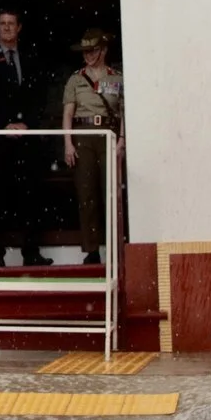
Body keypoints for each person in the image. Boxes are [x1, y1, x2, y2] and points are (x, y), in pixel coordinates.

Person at [0, 8, 48, 267]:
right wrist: (5, 124)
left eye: (10, 23)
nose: (6, 28)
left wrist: (27, 123)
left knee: (32, 195)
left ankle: (31, 252)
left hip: (27, 139)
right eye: (2, 23)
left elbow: (40, 96)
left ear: (19, 28)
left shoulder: (31, 57)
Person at [60, 30, 122, 265]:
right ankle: (92, 249)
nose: (88, 55)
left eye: (93, 50)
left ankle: (115, 246)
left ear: (104, 50)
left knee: (111, 193)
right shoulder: (75, 79)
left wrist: (122, 141)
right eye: (85, 51)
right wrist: (68, 143)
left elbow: (123, 112)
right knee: (86, 194)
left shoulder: (117, 78)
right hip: (83, 135)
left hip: (108, 133)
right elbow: (68, 113)